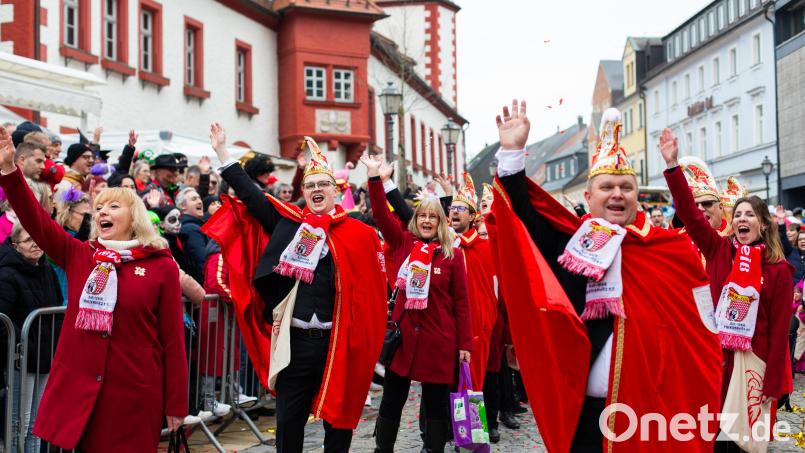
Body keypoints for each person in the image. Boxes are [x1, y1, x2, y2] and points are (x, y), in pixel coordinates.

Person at [490, 102, 722, 452]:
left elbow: (699, 335)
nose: (617, 194)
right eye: (607, 187)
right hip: (584, 412)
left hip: (647, 413)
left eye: (626, 187)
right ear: (588, 196)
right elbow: (520, 218)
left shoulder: (668, 250)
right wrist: (512, 154)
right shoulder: (570, 245)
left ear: (637, 197)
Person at [0, 127, 188, 452]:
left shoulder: (162, 266)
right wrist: (8, 172)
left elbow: (172, 339)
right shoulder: (79, 256)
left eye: (114, 207)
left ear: (134, 218)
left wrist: (176, 403)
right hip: (85, 396)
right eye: (99, 207)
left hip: (135, 396)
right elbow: (36, 221)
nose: (102, 212)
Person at [205, 124, 386, 453]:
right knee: (289, 424)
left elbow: (372, 291)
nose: (317, 189)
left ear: (334, 190)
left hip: (337, 342)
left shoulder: (358, 233)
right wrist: (224, 155)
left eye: (323, 184)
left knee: (338, 423)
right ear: (305, 191)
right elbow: (254, 198)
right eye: (311, 184)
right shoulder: (291, 225)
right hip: (296, 343)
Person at [661, 128, 794, 452]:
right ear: (732, 223)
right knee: (718, 441)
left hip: (756, 366)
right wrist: (673, 167)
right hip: (718, 363)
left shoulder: (778, 271)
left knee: (748, 443)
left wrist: (774, 382)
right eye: (737, 215)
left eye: (749, 214)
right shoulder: (721, 251)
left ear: (762, 224)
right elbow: (691, 217)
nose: (742, 219)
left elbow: (779, 332)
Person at [362, 154, 472, 453]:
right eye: (422, 216)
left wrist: (465, 344)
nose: (426, 220)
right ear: (415, 219)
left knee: (436, 403)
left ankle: (434, 448)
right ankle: (382, 448)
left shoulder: (453, 256)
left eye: (433, 217)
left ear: (440, 222)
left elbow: (462, 303)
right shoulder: (403, 244)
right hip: (405, 341)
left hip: (439, 340)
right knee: (392, 400)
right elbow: (382, 216)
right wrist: (375, 179)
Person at [0, 223, 63, 452]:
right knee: (21, 422)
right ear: (16, 246)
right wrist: (21, 344)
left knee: (38, 423)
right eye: (28, 240)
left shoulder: (47, 270)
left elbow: (57, 309)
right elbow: (2, 319)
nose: (35, 244)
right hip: (20, 360)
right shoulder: (7, 274)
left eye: (37, 238)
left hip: (44, 357)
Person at [176, 187, 208, 284]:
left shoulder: (195, 226)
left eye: (199, 198)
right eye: (194, 199)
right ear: (182, 206)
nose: (199, 202)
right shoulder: (191, 229)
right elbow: (201, 261)